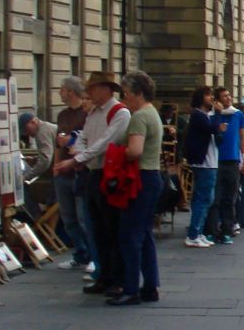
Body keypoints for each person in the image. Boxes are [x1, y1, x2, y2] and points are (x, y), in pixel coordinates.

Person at [54, 72, 131, 296]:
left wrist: (77, 158)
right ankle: (104, 275)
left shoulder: (120, 112)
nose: (89, 93)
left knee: (112, 228)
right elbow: (85, 138)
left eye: (93, 88)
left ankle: (118, 278)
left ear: (106, 89)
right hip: (92, 173)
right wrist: (78, 152)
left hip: (110, 173)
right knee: (97, 228)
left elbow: (106, 142)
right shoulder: (94, 112)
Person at [107, 71, 164, 306]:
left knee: (129, 235)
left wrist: (116, 151)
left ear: (138, 93)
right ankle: (150, 286)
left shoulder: (140, 116)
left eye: (127, 94)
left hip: (141, 178)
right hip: (152, 178)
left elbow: (135, 150)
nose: (124, 99)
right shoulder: (152, 112)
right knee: (145, 234)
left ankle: (131, 288)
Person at [52, 76, 93, 272]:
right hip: (62, 173)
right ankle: (80, 253)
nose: (60, 92)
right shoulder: (62, 115)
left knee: (83, 217)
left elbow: (80, 141)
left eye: (62, 89)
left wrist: (69, 141)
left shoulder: (86, 115)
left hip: (79, 172)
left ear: (71, 92)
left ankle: (93, 255)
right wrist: (55, 165)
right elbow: (58, 143)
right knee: (68, 219)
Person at [181, 86, 221, 247]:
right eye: (208, 95)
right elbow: (212, 129)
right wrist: (218, 114)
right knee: (204, 198)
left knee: (204, 198)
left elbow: (216, 134)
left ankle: (198, 232)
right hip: (205, 163)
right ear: (200, 98)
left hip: (209, 161)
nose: (212, 98)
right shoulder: (198, 115)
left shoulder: (203, 115)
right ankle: (194, 233)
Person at [209, 88, 244, 245]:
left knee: (230, 199)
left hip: (232, 160)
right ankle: (212, 230)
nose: (228, 98)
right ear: (217, 100)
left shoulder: (238, 114)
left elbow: (242, 137)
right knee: (215, 199)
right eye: (224, 96)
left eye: (229, 95)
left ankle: (227, 230)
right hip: (216, 160)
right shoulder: (212, 117)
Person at [19, 113, 57, 218]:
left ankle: (39, 222)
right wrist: (35, 159)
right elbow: (50, 153)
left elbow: (45, 160)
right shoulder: (47, 127)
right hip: (61, 170)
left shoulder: (42, 132)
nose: (27, 133)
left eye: (26, 129)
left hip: (61, 172)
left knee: (52, 205)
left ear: (33, 122)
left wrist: (27, 177)